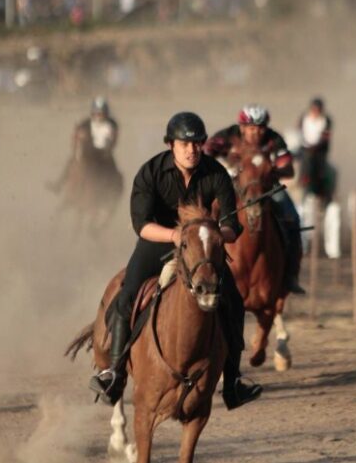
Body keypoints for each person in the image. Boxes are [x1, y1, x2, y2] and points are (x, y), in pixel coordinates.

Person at [89, 111, 262, 410]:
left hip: (201, 248)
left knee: (233, 300)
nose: (192, 149)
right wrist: (175, 235)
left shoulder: (216, 174)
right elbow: (141, 225)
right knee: (126, 296)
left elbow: (232, 226)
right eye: (185, 144)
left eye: (197, 143)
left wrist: (206, 233)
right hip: (158, 241)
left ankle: (232, 381)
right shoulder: (150, 172)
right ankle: (113, 373)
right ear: (171, 144)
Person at [204, 104, 306, 295]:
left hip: (266, 187)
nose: (256, 132)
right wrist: (223, 167)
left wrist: (268, 171)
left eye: (260, 128)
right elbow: (205, 153)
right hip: (232, 185)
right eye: (252, 128)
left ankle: (290, 274)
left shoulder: (274, 140)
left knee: (292, 218)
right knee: (207, 215)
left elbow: (288, 168)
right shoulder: (227, 136)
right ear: (242, 127)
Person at [50, 96, 119, 192]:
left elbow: (114, 139)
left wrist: (108, 150)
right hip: (88, 152)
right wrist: (76, 151)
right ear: (93, 112)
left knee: (113, 171)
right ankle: (59, 184)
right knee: (72, 162)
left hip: (104, 153)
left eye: (102, 113)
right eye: (97, 113)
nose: (99, 116)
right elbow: (76, 137)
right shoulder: (85, 123)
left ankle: (115, 190)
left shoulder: (112, 124)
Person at [297, 97, 333, 196]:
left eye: (318, 110)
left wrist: (315, 146)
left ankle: (320, 189)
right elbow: (299, 131)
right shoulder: (304, 118)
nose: (316, 112)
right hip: (305, 148)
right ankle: (303, 181)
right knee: (304, 162)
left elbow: (326, 137)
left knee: (320, 170)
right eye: (314, 109)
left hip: (319, 150)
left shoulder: (326, 120)